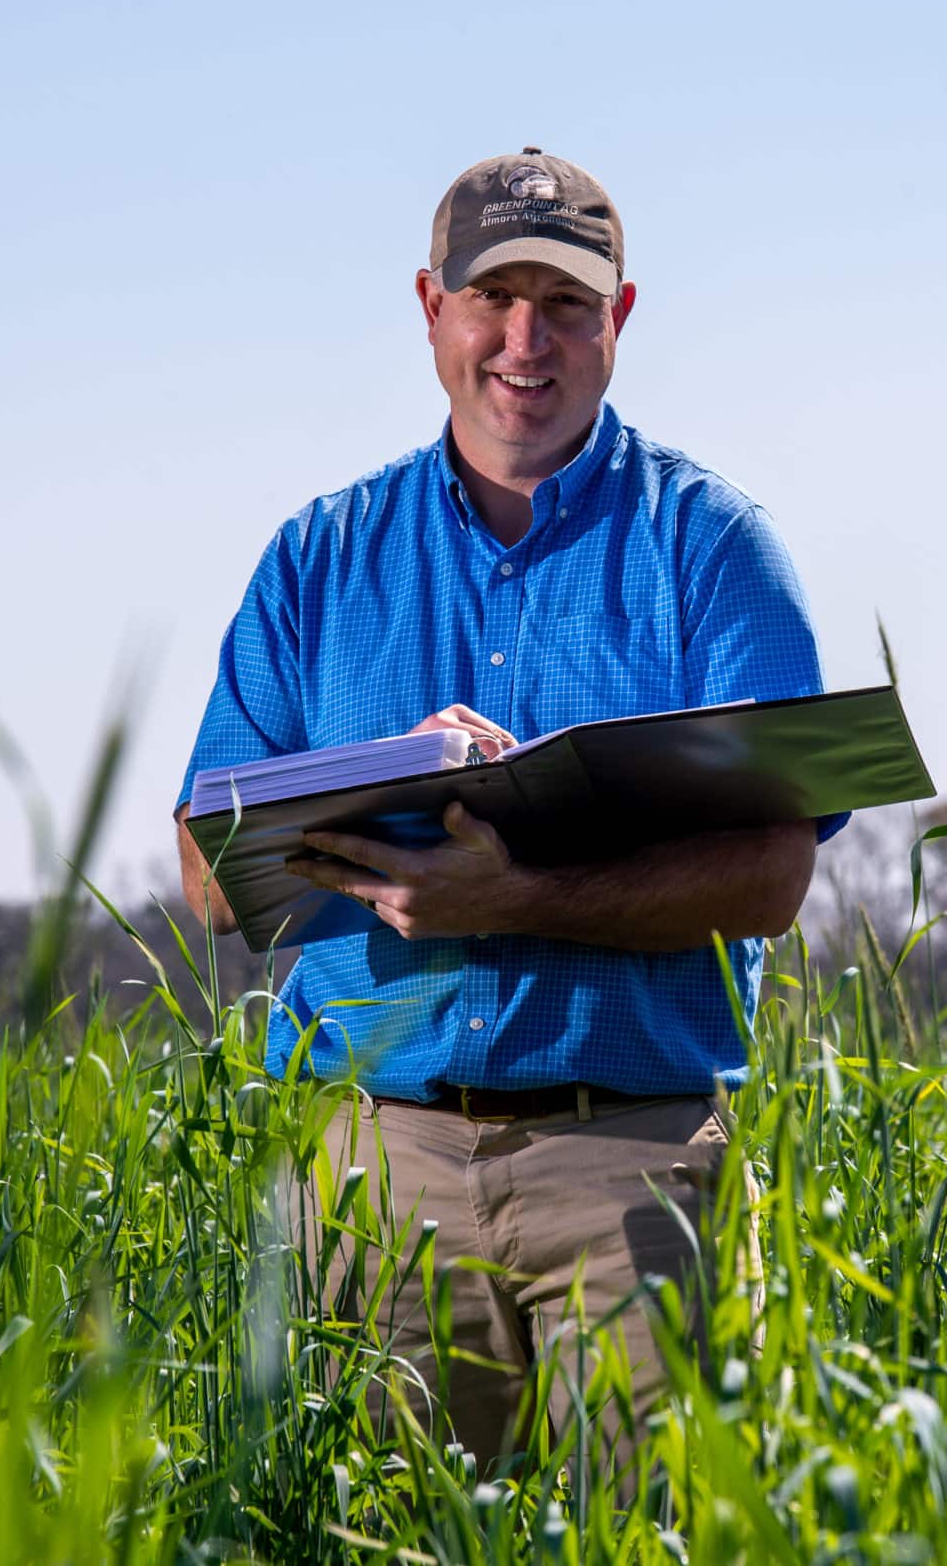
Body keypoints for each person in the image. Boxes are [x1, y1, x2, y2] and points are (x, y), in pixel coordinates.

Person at [174, 149, 834, 1471]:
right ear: (430, 307)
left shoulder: (711, 549)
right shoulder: (319, 559)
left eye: (566, 305)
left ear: (621, 318)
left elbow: (770, 876)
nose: (524, 342)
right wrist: (392, 768)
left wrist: (525, 897)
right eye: (493, 300)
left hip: (634, 1168)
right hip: (379, 1179)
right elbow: (206, 873)